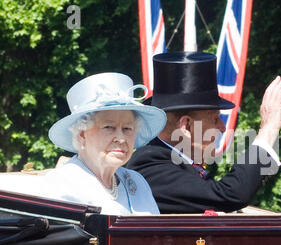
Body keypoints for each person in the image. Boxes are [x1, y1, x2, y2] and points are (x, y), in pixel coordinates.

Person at [127, 51, 281, 213]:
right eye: (215, 119)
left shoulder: (175, 162)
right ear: (187, 126)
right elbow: (230, 195)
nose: (222, 127)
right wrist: (267, 130)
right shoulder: (151, 165)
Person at [0, 72, 167, 216]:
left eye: (127, 128)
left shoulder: (137, 182)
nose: (121, 138)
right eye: (109, 127)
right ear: (82, 134)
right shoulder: (62, 185)